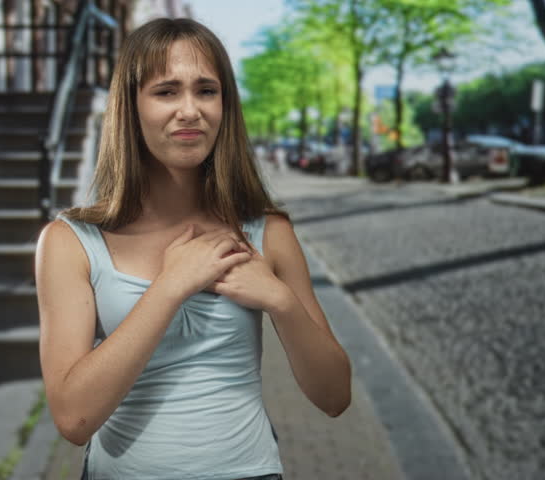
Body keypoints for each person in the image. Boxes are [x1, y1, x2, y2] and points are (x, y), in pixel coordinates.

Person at [34, 17, 351, 480]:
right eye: (166, 92)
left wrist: (280, 300)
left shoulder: (267, 231)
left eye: (206, 91)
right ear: (131, 107)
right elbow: (73, 419)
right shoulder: (71, 242)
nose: (190, 110)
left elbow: (335, 397)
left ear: (225, 105)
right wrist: (170, 287)